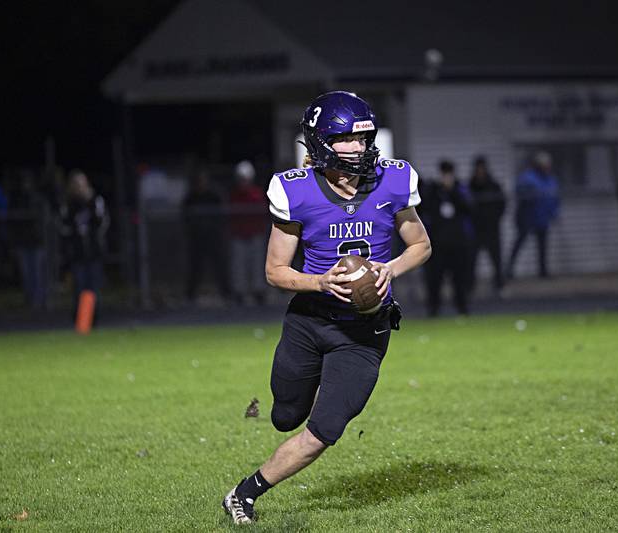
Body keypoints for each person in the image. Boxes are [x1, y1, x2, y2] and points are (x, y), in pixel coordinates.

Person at [221, 91, 431, 524]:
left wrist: (389, 269)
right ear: (319, 142)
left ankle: (243, 495)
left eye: (363, 138)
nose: (358, 148)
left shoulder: (392, 180)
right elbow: (275, 272)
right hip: (309, 321)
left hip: (364, 332)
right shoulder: (294, 189)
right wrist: (320, 281)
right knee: (284, 417)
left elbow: (422, 245)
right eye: (346, 140)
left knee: (322, 431)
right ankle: (310, 386)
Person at [419, 160, 473, 316]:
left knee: (459, 278)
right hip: (438, 242)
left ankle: (462, 307)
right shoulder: (433, 191)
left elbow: (469, 208)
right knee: (435, 278)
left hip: (458, 243)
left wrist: (453, 192)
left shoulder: (460, 189)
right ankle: (433, 308)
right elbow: (424, 209)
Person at [60, 169, 109, 318]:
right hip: (77, 252)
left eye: (82, 183)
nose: (80, 187)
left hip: (94, 251)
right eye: (77, 184)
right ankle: (82, 320)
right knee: (79, 287)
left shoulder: (95, 200)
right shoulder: (69, 203)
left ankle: (95, 318)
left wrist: (89, 203)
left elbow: (102, 222)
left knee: (93, 287)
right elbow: (64, 226)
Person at [507, 151, 560, 279]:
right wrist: (531, 194)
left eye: (547, 165)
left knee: (542, 245)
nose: (546, 167)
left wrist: (554, 212)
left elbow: (554, 198)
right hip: (527, 215)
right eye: (543, 165)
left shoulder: (551, 180)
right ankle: (509, 269)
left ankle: (543, 271)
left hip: (542, 216)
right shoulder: (528, 177)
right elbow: (520, 191)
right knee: (520, 241)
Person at [182, 167, 230, 304]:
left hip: (213, 237)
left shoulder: (213, 196)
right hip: (197, 239)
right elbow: (185, 217)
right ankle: (190, 295)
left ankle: (227, 293)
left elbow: (221, 215)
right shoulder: (191, 197)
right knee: (195, 267)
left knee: (219, 265)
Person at [228, 160, 269, 306]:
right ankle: (240, 293)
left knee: (257, 266)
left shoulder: (256, 194)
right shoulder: (234, 195)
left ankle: (259, 292)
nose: (243, 182)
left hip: (255, 234)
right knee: (239, 266)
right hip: (239, 235)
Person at [8, 169, 47, 308]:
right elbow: (13, 221)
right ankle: (30, 301)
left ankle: (39, 301)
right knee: (26, 274)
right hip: (23, 242)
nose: (25, 184)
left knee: (37, 273)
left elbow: (42, 221)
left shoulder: (37, 198)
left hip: (36, 241)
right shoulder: (17, 199)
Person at [467, 156, 505, 295]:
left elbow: (502, 205)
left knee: (496, 260)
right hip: (476, 229)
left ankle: (499, 286)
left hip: (491, 229)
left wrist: (494, 218)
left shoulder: (494, 185)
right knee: (471, 260)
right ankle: (469, 287)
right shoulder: (470, 186)